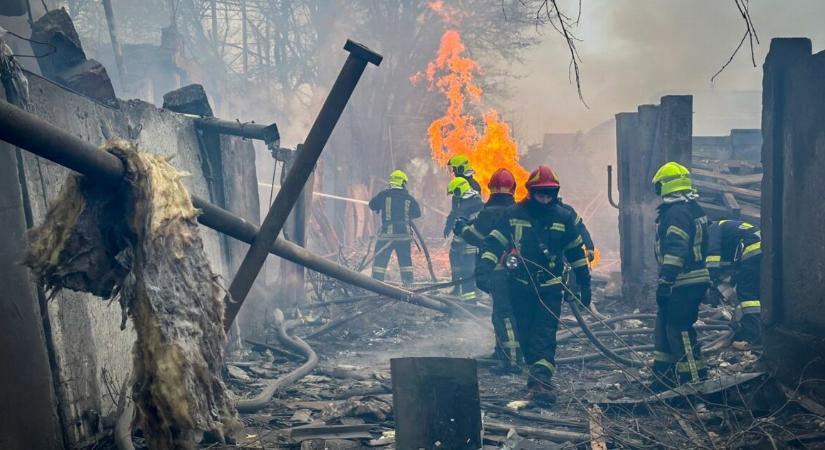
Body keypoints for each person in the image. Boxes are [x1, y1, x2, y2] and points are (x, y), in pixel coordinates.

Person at [477, 165, 591, 403]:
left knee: (545, 335)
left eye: (549, 193)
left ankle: (541, 382)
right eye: (540, 193)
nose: (545, 197)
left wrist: (584, 282)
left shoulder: (563, 217)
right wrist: (484, 267)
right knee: (526, 335)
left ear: (555, 192)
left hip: (550, 288)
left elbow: (575, 253)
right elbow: (494, 242)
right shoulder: (514, 213)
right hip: (519, 287)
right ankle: (535, 378)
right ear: (530, 191)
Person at [651, 162, 711, 389]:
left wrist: (666, 280)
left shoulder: (676, 213)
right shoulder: (690, 208)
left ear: (664, 186)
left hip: (685, 281)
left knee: (679, 328)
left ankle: (695, 381)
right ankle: (663, 377)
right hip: (685, 280)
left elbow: (677, 249)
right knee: (665, 326)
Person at [455, 168, 522, 372]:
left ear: (491, 189)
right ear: (513, 188)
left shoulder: (488, 213)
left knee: (503, 314)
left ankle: (511, 361)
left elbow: (476, 236)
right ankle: (501, 352)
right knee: (509, 313)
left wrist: (462, 228)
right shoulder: (520, 211)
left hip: (498, 271)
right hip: (520, 272)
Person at [706, 220, 762, 345]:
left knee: (747, 297)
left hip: (751, 251)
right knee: (758, 293)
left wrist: (711, 277)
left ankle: (753, 334)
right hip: (764, 250)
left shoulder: (712, 229)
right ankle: (760, 329)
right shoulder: (729, 226)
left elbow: (712, 254)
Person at [368, 170, 421, 286]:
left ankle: (376, 284)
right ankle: (408, 286)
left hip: (387, 235)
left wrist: (381, 207)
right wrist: (406, 216)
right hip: (403, 235)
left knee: (380, 261)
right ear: (403, 183)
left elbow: (372, 205)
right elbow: (418, 213)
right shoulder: (409, 198)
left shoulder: (383, 195)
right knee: (405, 262)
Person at [445, 176, 483, 300]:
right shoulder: (476, 201)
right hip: (477, 243)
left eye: (454, 193)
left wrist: (455, 244)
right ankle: (471, 291)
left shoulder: (465, 206)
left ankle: (470, 301)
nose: (454, 197)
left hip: (469, 244)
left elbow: (461, 229)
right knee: (472, 270)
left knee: (467, 271)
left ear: (459, 190)